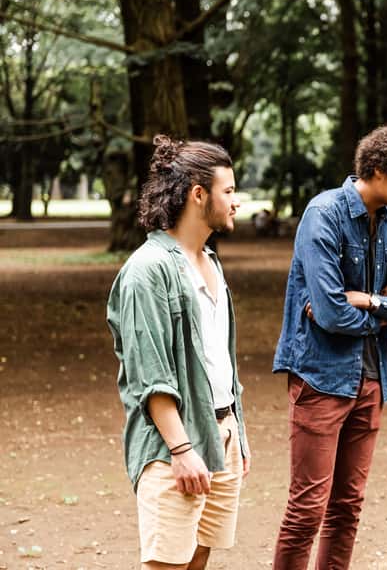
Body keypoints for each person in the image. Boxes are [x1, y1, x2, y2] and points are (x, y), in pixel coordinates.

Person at [271, 122, 387, 569]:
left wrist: (370, 299)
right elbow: (328, 313)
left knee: (347, 508)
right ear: (378, 169)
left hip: (371, 382)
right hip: (321, 379)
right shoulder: (323, 213)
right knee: (307, 509)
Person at [107, 135, 250, 570]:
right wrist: (183, 449)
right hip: (174, 446)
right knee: (167, 563)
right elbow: (151, 375)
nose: (236, 202)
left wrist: (236, 433)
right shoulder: (148, 271)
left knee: (198, 556)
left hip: (219, 433)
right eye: (228, 191)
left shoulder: (209, 260)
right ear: (198, 194)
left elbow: (219, 359)